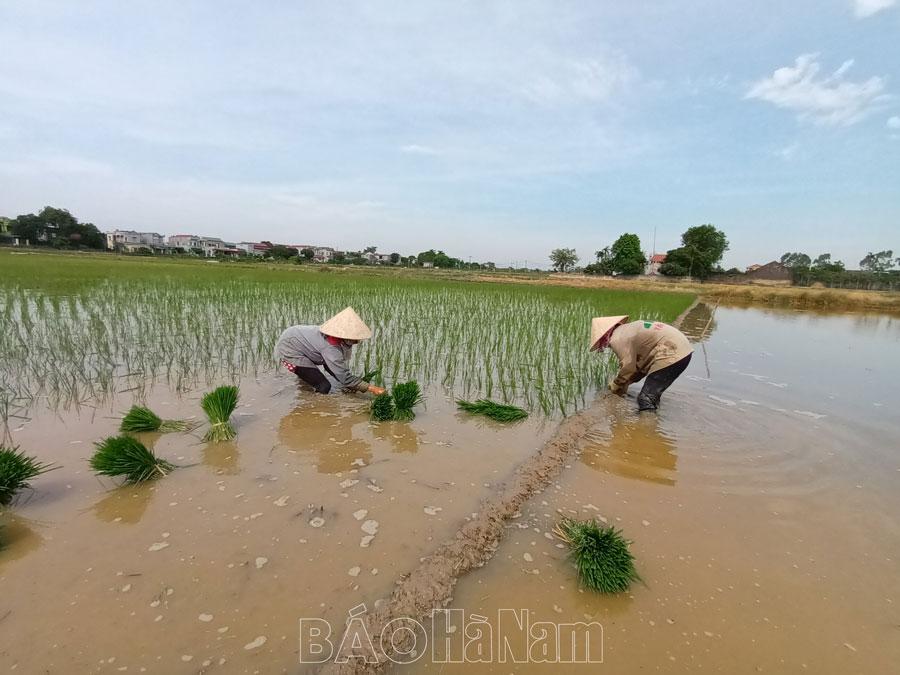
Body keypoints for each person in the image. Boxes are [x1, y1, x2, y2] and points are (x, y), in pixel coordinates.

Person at [590, 315, 693, 412]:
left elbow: (628, 366)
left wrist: (617, 383)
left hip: (672, 353)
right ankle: (653, 417)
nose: (604, 346)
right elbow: (639, 368)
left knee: (645, 399)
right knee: (653, 395)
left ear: (604, 335)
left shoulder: (616, 338)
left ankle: (645, 427)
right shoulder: (626, 330)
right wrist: (626, 383)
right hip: (684, 352)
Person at [275, 307, 386, 395]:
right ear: (345, 336)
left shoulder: (338, 340)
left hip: (296, 337)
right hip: (290, 349)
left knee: (314, 378)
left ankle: (305, 391)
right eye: (355, 338)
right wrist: (371, 388)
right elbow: (341, 372)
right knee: (324, 386)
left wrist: (351, 383)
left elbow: (334, 368)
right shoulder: (330, 347)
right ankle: (312, 410)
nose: (358, 341)